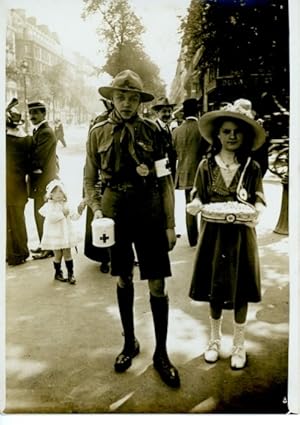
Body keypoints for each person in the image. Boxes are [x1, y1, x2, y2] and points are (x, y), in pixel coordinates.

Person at [84, 69, 180, 388]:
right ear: (111, 98)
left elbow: (166, 179)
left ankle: (162, 354)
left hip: (150, 210)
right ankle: (130, 343)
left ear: (141, 100)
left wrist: (170, 224)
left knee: (157, 284)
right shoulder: (97, 131)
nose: (126, 103)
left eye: (132, 97)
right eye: (120, 97)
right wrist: (98, 209)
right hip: (115, 213)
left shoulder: (156, 130)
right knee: (123, 277)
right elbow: (89, 177)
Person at [186, 98, 266, 370]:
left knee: (240, 288)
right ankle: (214, 339)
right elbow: (199, 195)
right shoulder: (206, 166)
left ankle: (239, 343)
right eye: (226, 131)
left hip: (242, 235)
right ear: (217, 135)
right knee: (215, 287)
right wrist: (196, 205)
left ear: (244, 136)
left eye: (237, 132)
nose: (232, 136)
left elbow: (258, 197)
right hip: (213, 235)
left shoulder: (251, 167)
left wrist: (257, 210)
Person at [173, 98, 209, 247]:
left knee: (189, 205)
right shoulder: (203, 129)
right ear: (198, 111)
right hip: (201, 173)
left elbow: (173, 153)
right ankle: (205, 238)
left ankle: (193, 239)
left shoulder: (176, 131)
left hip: (183, 173)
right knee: (205, 205)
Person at [27, 100, 58, 259]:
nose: (32, 116)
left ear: (43, 114)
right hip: (42, 180)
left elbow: (38, 158)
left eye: (35, 113)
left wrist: (24, 165)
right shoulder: (40, 130)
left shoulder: (45, 132)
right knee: (41, 214)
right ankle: (44, 244)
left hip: (43, 181)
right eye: (30, 113)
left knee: (42, 214)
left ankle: (48, 248)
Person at [6, 99, 33, 266]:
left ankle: (12, 254)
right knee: (18, 219)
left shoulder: (6, 140)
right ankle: (21, 251)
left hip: (7, 185)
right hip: (19, 186)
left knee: (9, 221)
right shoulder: (26, 139)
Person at [39, 179, 80, 284]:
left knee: (67, 253)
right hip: (55, 235)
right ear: (50, 194)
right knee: (58, 255)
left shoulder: (66, 205)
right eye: (55, 191)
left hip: (65, 234)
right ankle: (58, 272)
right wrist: (62, 214)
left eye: (61, 191)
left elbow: (73, 217)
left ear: (64, 194)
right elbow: (51, 218)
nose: (58, 194)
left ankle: (71, 274)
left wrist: (79, 211)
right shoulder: (49, 206)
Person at [151, 97, 177, 180]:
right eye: (164, 111)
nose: (167, 114)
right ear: (157, 112)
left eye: (169, 111)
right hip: (160, 169)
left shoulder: (167, 127)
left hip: (169, 167)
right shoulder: (154, 128)